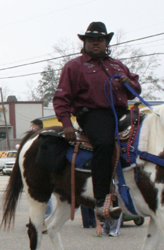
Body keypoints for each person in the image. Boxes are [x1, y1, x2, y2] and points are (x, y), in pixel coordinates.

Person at [53, 22, 142, 221]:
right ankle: (102, 200)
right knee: (104, 143)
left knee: (145, 134)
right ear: (84, 43)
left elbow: (136, 90)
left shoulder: (118, 65)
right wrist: (66, 123)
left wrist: (130, 83)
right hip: (93, 114)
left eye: (99, 40)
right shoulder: (74, 66)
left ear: (106, 42)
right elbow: (61, 98)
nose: (95, 43)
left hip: (120, 112)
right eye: (90, 40)